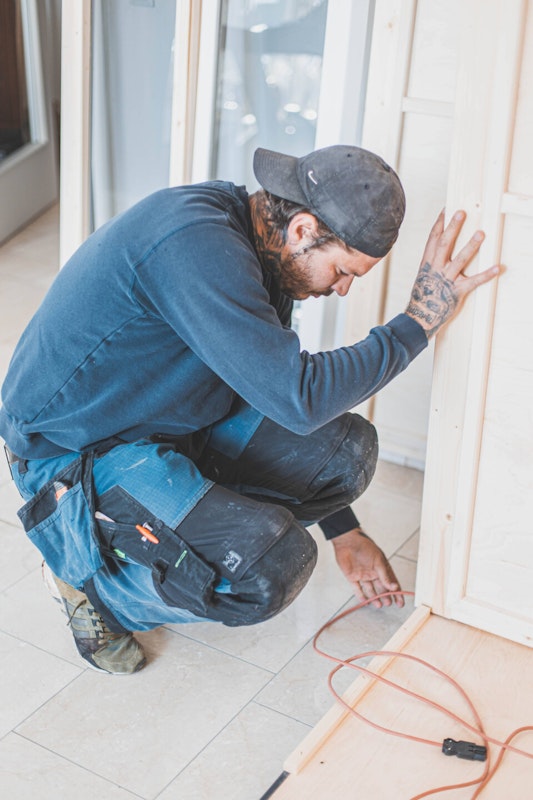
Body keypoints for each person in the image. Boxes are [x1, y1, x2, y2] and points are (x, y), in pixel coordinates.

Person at [0, 145, 499, 675]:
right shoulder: (193, 245)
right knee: (265, 572)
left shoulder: (263, 253)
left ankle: (173, 533)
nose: (342, 288)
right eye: (344, 270)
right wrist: (417, 324)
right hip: (74, 453)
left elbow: (276, 395)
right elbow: (298, 398)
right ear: (304, 230)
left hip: (168, 418)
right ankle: (92, 584)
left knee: (347, 453)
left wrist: (345, 533)